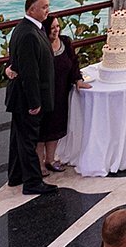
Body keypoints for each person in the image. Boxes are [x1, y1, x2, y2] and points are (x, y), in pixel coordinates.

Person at [5, 0, 55, 196]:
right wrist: (34, 102)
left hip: (22, 96)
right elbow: (29, 72)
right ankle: (32, 181)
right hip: (27, 99)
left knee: (19, 137)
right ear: (32, 9)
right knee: (28, 140)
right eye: (44, 7)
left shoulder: (27, 28)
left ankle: (16, 174)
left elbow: (16, 63)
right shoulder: (28, 34)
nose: (47, 11)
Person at [35, 12, 87, 174]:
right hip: (44, 94)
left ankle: (50, 160)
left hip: (61, 93)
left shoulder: (65, 41)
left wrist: (78, 79)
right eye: (52, 28)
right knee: (41, 132)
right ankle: (39, 164)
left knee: (56, 128)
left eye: (57, 26)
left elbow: (73, 63)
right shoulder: (39, 45)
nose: (55, 30)